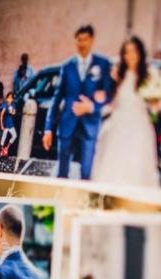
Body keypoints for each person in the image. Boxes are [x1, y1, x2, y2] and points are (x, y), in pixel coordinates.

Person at [43, 25, 113, 179]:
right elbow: (57, 98)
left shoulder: (103, 64)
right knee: (62, 174)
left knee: (87, 175)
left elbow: (109, 96)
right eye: (79, 40)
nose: (82, 44)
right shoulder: (67, 66)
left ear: (92, 40)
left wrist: (92, 107)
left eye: (85, 40)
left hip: (90, 128)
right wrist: (48, 129)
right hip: (67, 126)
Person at [90, 36, 159, 187]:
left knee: (136, 162)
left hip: (139, 125)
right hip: (119, 124)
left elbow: (155, 105)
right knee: (115, 161)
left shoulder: (149, 76)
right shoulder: (117, 75)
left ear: (140, 53)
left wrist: (156, 104)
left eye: (134, 51)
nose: (130, 56)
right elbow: (111, 101)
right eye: (126, 52)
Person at [0, 92, 18, 156]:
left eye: (11, 98)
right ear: (7, 98)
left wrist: (12, 112)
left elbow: (14, 112)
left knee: (14, 135)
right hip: (6, 124)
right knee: (4, 137)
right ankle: (2, 150)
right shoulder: (5, 105)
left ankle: (7, 148)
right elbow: (1, 115)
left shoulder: (13, 105)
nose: (10, 99)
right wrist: (1, 125)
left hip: (11, 124)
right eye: (9, 98)